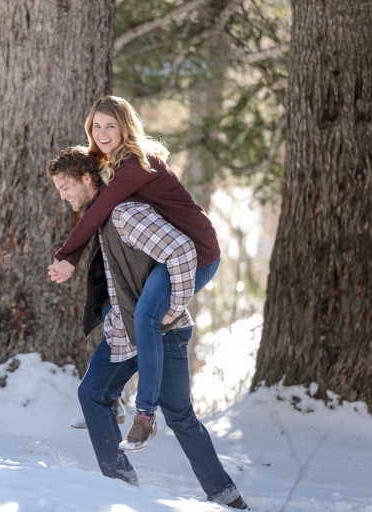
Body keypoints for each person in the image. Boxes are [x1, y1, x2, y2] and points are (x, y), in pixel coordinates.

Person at [46, 147, 248, 510]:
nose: (62, 195)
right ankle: (120, 486)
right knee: (92, 393)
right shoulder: (101, 217)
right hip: (125, 330)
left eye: (65, 186)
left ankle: (228, 500)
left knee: (179, 416)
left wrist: (169, 310)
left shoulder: (125, 213)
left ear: (88, 179)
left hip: (160, 331)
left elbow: (183, 250)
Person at [49, 96, 220, 451]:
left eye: (111, 125)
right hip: (165, 253)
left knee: (145, 315)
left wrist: (68, 255)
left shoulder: (134, 164)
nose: (103, 132)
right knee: (123, 308)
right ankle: (109, 398)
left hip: (197, 253)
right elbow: (86, 180)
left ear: (126, 127)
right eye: (96, 126)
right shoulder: (107, 161)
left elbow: (97, 215)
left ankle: (145, 414)